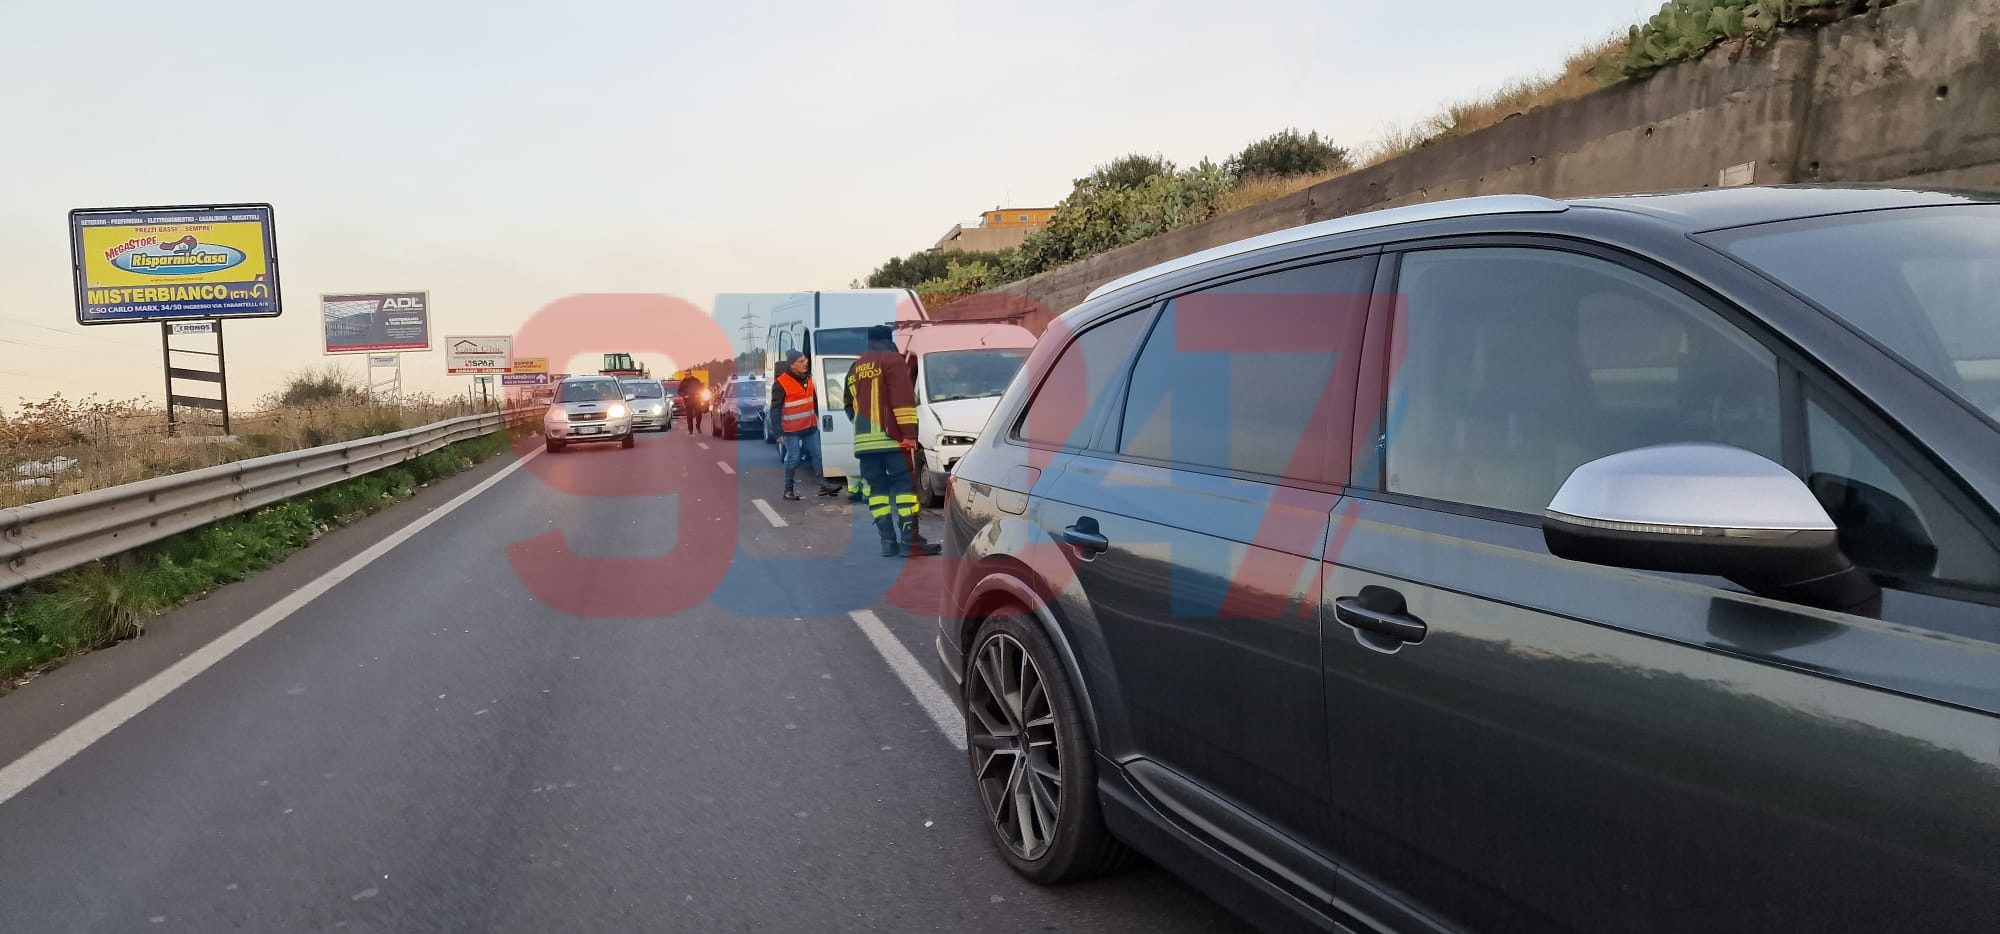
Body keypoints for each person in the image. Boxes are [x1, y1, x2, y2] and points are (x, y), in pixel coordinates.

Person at [845, 325, 939, 557]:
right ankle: (910, 540)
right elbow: (902, 398)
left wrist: (861, 428)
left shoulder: (855, 367)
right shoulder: (892, 360)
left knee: (877, 491)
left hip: (864, 443)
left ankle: (887, 541)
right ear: (888, 339)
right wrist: (909, 435)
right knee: (905, 488)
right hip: (892, 439)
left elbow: (848, 405)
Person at [771, 351, 842, 500]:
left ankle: (823, 484)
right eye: (801, 361)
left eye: (805, 360)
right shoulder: (781, 383)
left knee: (817, 454)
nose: (805, 363)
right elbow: (775, 409)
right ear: (791, 365)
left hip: (810, 425)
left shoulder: (809, 378)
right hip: (792, 429)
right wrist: (778, 433)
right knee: (794, 458)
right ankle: (788, 490)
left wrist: (819, 417)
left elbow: (814, 400)